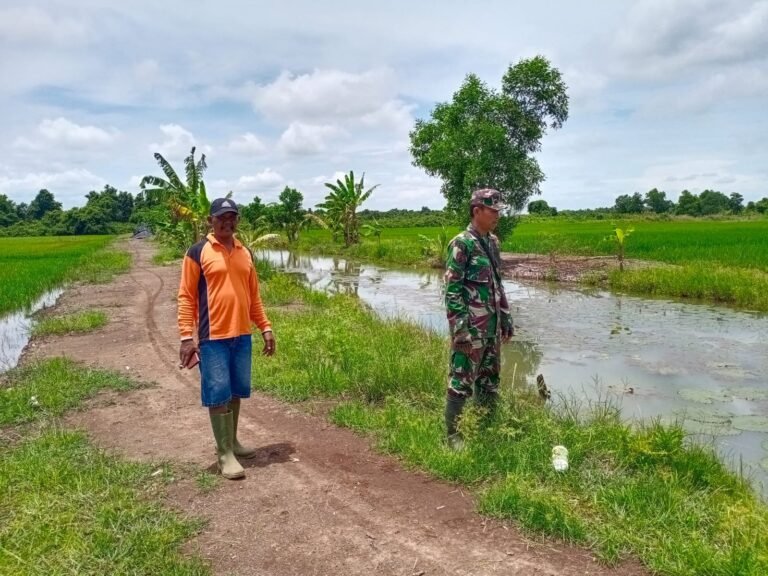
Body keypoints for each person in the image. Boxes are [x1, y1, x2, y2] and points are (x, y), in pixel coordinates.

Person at [177, 197, 276, 479]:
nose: (227, 222)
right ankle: (224, 455)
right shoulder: (198, 252)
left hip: (242, 334)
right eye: (221, 218)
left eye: (232, 217)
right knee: (218, 393)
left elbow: (253, 296)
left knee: (235, 391)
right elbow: (186, 297)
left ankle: (232, 442)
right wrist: (187, 337)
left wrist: (265, 327)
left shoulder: (245, 253)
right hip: (213, 337)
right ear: (210, 221)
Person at [443, 188, 514, 449]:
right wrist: (460, 331)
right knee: (461, 381)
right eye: (493, 211)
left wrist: (506, 318)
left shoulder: (492, 242)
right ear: (477, 211)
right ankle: (453, 436)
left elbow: (497, 284)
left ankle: (486, 427)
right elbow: (452, 290)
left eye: (499, 211)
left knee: (489, 381)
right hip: (471, 329)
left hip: (492, 327)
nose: (498, 215)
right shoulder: (462, 244)